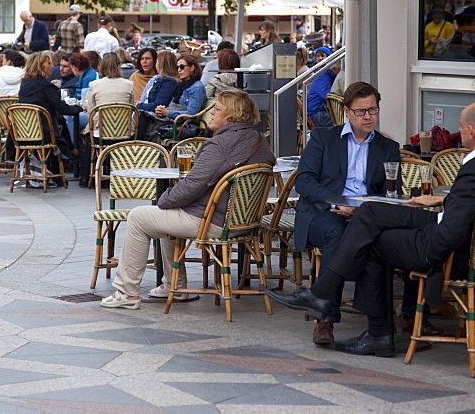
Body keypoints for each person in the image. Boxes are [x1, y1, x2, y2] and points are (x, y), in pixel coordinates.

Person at [267, 102, 475, 357]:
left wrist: (428, 238)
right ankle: (324, 297)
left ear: (472, 131)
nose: (460, 131)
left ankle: (371, 329)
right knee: (372, 212)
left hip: (452, 248)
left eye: (461, 126)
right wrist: (446, 199)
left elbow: (450, 233)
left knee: (374, 240)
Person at [100, 89, 276, 309]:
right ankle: (174, 283)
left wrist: (164, 200)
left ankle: (127, 292)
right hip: (245, 223)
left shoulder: (220, 144)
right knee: (163, 218)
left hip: (213, 222)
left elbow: (193, 185)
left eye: (217, 108)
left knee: (139, 216)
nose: (211, 112)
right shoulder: (260, 140)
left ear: (232, 115)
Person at [287, 82, 401, 345]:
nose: (368, 116)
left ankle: (383, 322)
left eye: (373, 110)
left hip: (366, 215)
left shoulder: (388, 147)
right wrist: (336, 205)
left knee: (387, 237)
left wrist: (365, 211)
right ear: (347, 112)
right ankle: (325, 319)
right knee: (336, 231)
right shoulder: (324, 138)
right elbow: (304, 182)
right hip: (322, 211)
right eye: (361, 111)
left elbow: (391, 192)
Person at [18, 51, 83, 182]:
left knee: (60, 121)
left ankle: (70, 152)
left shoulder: (24, 84)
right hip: (43, 132)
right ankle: (73, 155)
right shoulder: (46, 87)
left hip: (24, 131)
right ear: (41, 66)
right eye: (49, 63)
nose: (52, 66)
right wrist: (80, 108)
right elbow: (62, 107)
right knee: (59, 124)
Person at [155, 53, 206, 120]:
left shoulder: (197, 87)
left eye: (182, 67)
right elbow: (172, 105)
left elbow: (192, 114)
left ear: (192, 68)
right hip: (173, 120)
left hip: (183, 125)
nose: (179, 70)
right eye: (177, 67)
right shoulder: (180, 85)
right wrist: (162, 110)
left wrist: (167, 113)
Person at [306, 47, 337, 127]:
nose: (320, 58)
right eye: (318, 56)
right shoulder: (321, 75)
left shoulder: (327, 74)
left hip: (322, 112)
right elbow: (329, 97)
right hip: (318, 114)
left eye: (322, 56)